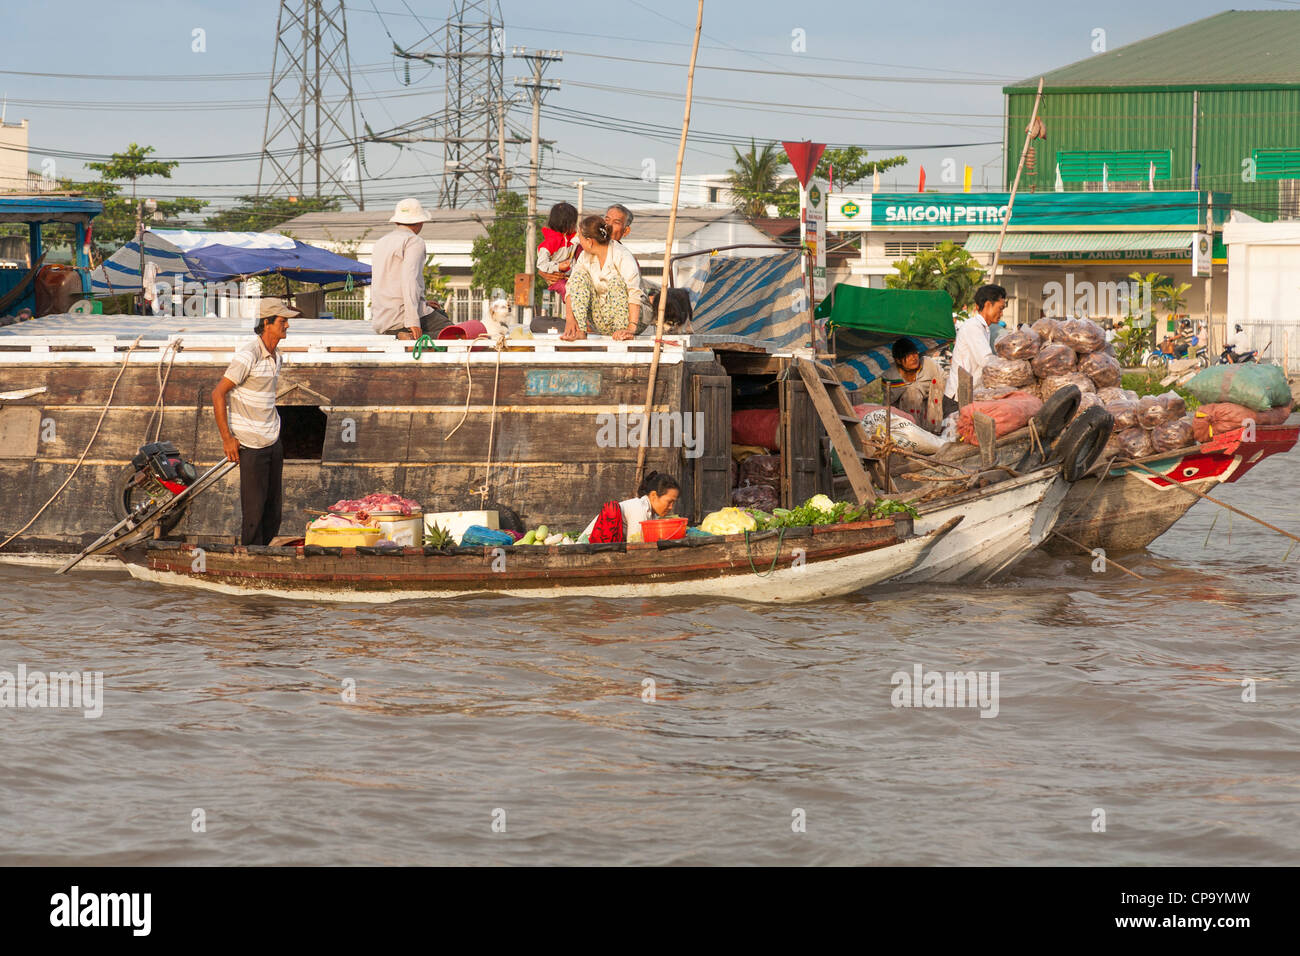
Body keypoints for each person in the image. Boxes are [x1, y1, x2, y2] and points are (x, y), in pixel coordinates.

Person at [212, 299, 301, 546]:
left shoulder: (276, 357)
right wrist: (227, 439)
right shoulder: (248, 355)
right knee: (254, 512)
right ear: (267, 323)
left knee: (274, 512)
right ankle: (250, 558)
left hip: (272, 439)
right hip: (250, 444)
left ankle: (263, 555)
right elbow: (218, 394)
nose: (287, 327)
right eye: (282, 322)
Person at [370, 197, 450, 340]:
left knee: (436, 316)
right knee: (453, 333)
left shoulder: (380, 242)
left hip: (382, 320)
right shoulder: (414, 241)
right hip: (403, 315)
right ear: (420, 222)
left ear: (396, 221)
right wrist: (413, 320)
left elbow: (387, 283)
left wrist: (423, 304)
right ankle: (411, 336)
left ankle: (399, 334)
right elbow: (409, 280)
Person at [560, 215, 643, 341]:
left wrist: (631, 328)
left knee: (615, 281)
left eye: (580, 237)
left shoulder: (622, 255)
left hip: (630, 320)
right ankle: (580, 331)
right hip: (601, 318)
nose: (578, 241)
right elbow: (571, 287)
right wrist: (570, 320)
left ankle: (621, 331)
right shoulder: (584, 256)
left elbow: (634, 293)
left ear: (589, 241)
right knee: (578, 277)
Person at [944, 283, 1007, 401]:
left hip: (968, 395)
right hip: (958, 398)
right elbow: (986, 360)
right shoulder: (973, 326)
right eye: (1000, 308)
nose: (1001, 313)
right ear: (988, 305)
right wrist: (1010, 368)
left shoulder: (984, 328)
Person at [581, 471, 680, 542]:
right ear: (654, 496)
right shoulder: (639, 508)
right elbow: (635, 546)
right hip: (587, 546)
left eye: (673, 503)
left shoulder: (652, 514)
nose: (671, 507)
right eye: (669, 502)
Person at [885, 338, 952, 430]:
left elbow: (945, 380)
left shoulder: (927, 363)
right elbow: (888, 402)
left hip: (931, 409)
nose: (914, 358)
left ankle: (935, 430)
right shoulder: (891, 376)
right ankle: (914, 431)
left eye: (915, 353)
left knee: (939, 382)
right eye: (908, 355)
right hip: (904, 414)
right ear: (898, 360)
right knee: (912, 392)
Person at [536, 201, 579, 298]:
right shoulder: (549, 243)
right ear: (568, 224)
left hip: (570, 276)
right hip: (556, 279)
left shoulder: (571, 238)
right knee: (568, 292)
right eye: (574, 223)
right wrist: (558, 267)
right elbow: (541, 264)